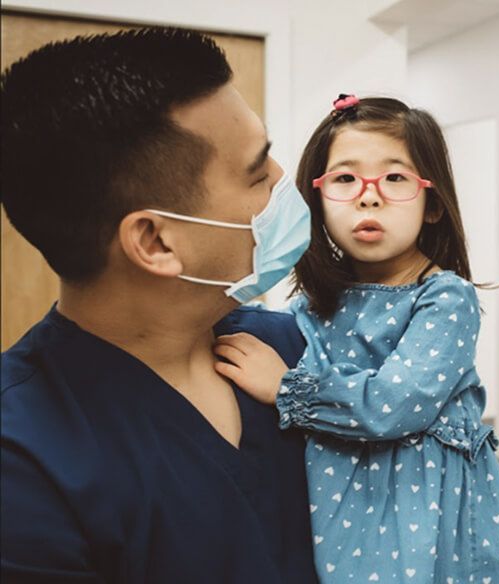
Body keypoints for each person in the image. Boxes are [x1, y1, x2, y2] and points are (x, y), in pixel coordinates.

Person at [0, 28, 318, 583]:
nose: (284, 183)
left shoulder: (296, 347)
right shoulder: (24, 458)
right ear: (156, 242)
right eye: (258, 171)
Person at [214, 95, 499, 583]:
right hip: (350, 505)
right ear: (316, 199)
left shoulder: (445, 298)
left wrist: (286, 389)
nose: (369, 195)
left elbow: (392, 404)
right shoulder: (316, 302)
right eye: (344, 178)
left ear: (434, 205)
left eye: (395, 178)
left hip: (433, 519)